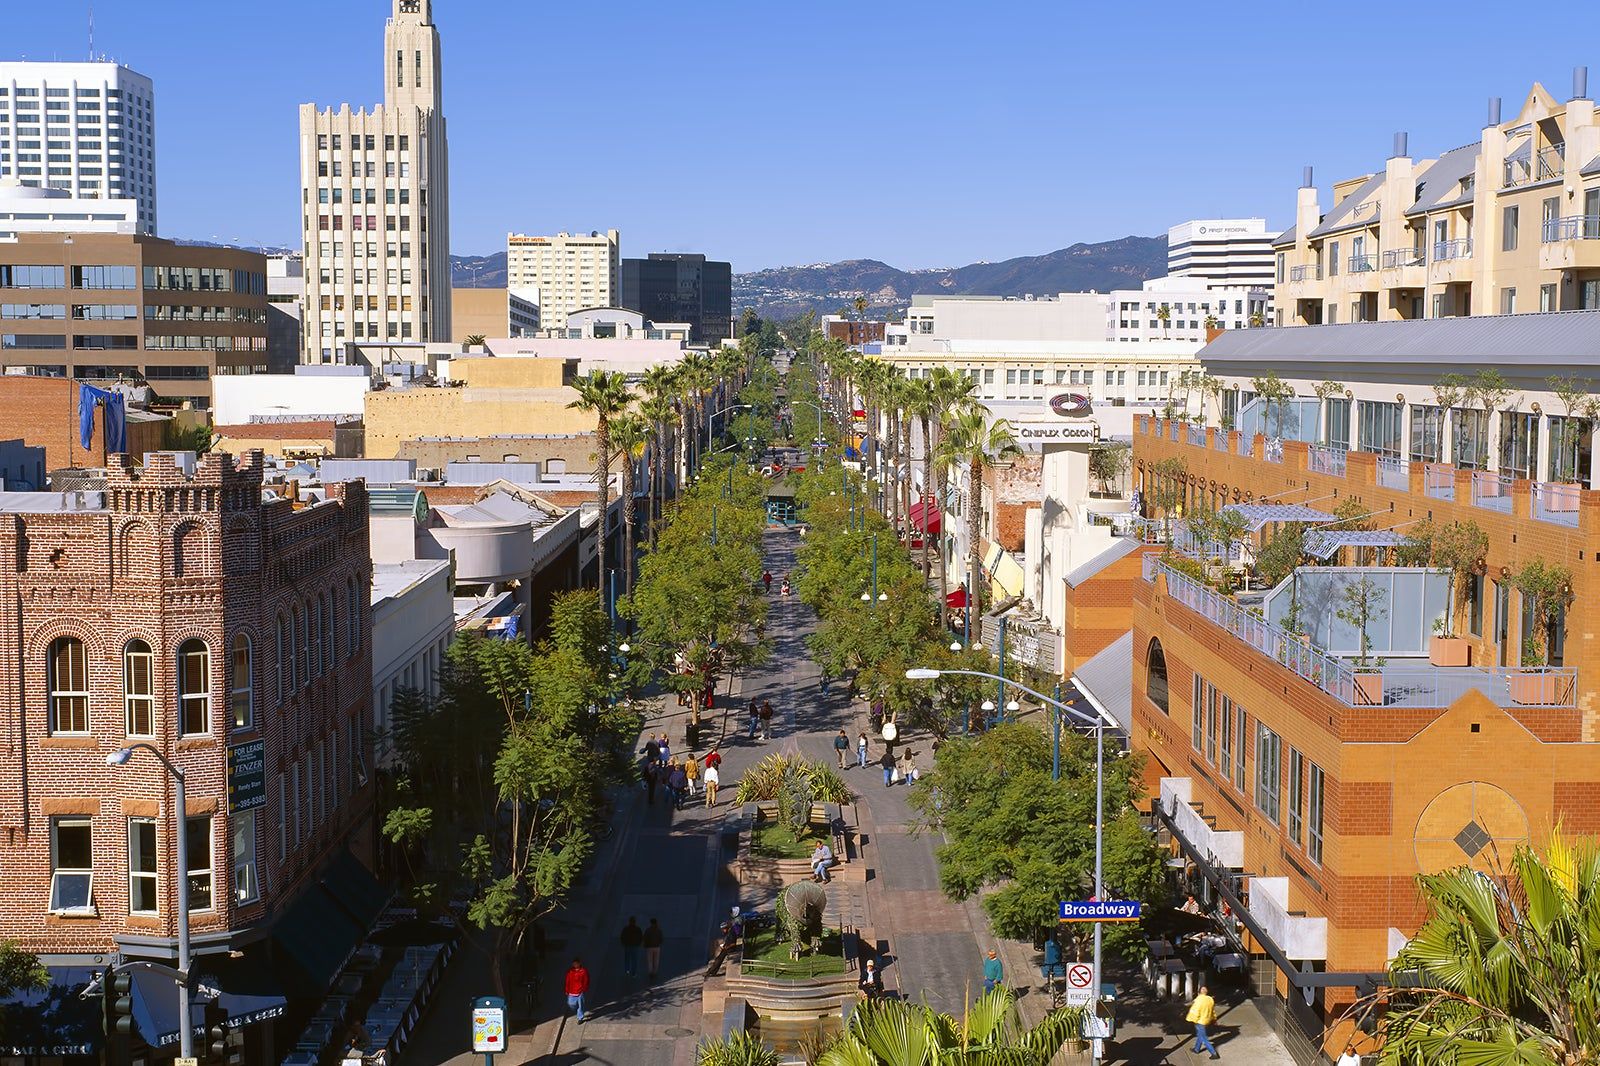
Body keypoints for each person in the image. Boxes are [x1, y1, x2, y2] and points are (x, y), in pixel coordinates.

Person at [1187, 984, 1220, 1058]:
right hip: (1206, 1020)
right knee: (1200, 1035)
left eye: (1204, 989)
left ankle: (1214, 1053)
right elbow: (1212, 1011)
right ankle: (1196, 1049)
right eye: (1203, 989)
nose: (1204, 990)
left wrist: (1192, 1019)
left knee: (1204, 1038)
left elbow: (1195, 1011)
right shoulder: (1210, 999)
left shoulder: (1198, 1000)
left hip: (1199, 1021)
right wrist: (1214, 1019)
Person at [564, 957, 590, 1023]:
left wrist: (584, 988)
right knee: (571, 1004)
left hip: (580, 991)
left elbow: (586, 980)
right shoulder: (570, 972)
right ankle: (577, 1009)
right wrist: (567, 990)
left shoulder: (583, 971)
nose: (575, 965)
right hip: (572, 991)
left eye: (576, 963)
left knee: (581, 1004)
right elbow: (567, 981)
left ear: (579, 963)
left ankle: (580, 1017)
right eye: (574, 964)